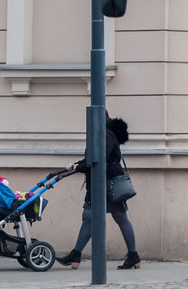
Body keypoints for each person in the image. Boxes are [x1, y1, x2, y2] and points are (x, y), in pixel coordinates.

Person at [56, 115, 141, 270]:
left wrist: (80, 167)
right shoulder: (103, 133)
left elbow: (100, 159)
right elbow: (92, 158)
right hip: (101, 181)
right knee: (92, 216)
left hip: (106, 183)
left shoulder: (106, 134)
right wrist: (77, 165)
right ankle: (76, 254)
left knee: (118, 216)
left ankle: (133, 255)